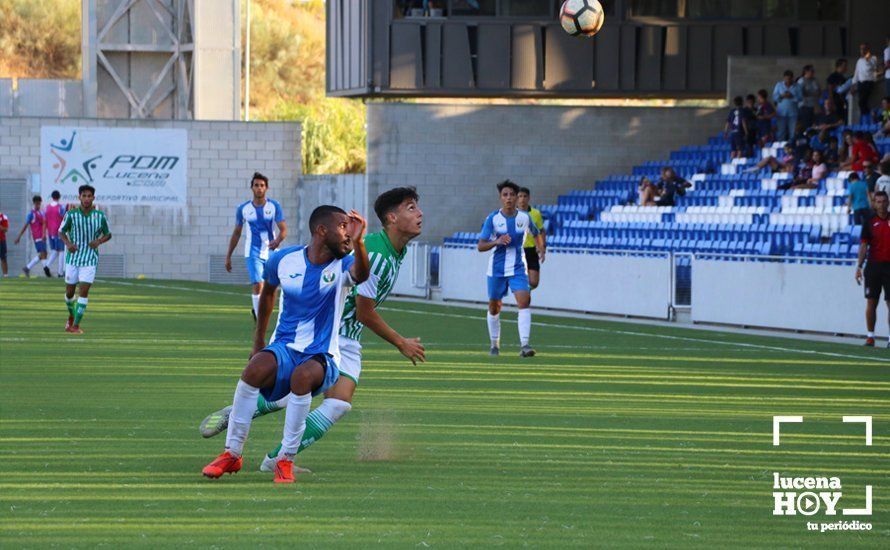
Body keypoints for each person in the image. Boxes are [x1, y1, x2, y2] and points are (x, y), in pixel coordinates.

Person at [198, 189, 427, 475]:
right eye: (411, 208)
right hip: (334, 333)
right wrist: (400, 342)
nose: (420, 213)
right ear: (392, 218)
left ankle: (247, 417)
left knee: (313, 393)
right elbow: (364, 310)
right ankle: (275, 456)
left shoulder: (392, 250)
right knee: (330, 398)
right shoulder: (376, 254)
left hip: (344, 333)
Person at [202, 205, 370, 484]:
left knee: (302, 378)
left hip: (323, 354)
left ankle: (285, 459)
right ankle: (232, 454)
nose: (347, 234)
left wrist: (360, 240)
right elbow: (268, 294)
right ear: (321, 231)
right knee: (254, 370)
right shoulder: (282, 259)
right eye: (343, 227)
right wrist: (258, 341)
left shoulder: (342, 265)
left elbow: (361, 274)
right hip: (285, 346)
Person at [477, 180, 541, 358]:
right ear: (500, 198)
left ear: (516, 197)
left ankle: (525, 345)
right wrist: (496, 241)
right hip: (496, 270)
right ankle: (494, 344)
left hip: (518, 268)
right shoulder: (493, 219)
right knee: (494, 307)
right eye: (505, 195)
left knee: (524, 301)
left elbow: (536, 233)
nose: (509, 198)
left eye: (512, 195)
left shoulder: (524, 217)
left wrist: (540, 249)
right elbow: (480, 245)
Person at [225, 172, 288, 321]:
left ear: (266, 188)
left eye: (262, 185)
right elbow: (236, 233)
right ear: (251, 188)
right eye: (256, 185)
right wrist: (228, 256)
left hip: (271, 252)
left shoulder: (274, 206)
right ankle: (260, 318)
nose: (259, 188)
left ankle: (274, 315)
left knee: (275, 285)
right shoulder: (243, 209)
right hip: (252, 252)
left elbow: (283, 229)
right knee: (258, 284)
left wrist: (277, 241)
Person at [58, 185, 112, 334]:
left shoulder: (99, 216)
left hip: (89, 259)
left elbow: (108, 234)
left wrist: (99, 241)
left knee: (84, 291)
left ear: (93, 198)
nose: (87, 198)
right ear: (79, 197)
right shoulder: (71, 215)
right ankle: (71, 316)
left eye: (89, 196)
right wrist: (68, 244)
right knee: (69, 293)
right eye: (84, 196)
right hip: (73, 259)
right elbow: (61, 232)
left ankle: (75, 325)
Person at [856, 191, 890, 347]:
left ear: (888, 202)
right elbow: (864, 245)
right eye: (878, 201)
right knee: (871, 302)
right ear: (874, 204)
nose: (881, 204)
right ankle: (870, 336)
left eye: (884, 201)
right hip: (873, 267)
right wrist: (859, 266)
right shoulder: (869, 221)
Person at [516, 186, 546, 290]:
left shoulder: (535, 213)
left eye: (525, 196)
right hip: (519, 250)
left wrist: (542, 248)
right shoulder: (512, 214)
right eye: (520, 196)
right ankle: (522, 295)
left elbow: (541, 231)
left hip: (532, 250)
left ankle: (524, 291)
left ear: (528, 198)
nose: (522, 199)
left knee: (534, 282)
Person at [13, 195, 50, 278]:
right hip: (37, 236)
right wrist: (19, 237)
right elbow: (25, 226)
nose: (38, 205)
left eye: (39, 204)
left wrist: (44, 234)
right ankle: (46, 270)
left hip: (42, 236)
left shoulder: (41, 212)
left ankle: (27, 268)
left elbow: (44, 224)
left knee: (44, 253)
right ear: (34, 203)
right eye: (37, 204)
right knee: (43, 252)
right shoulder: (31, 214)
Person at [853, 43, 880, 124]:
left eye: (864, 49)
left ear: (868, 50)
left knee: (862, 101)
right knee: (861, 102)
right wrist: (853, 84)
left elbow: (872, 67)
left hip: (868, 82)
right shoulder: (859, 61)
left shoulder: (873, 58)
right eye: (861, 49)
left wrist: (867, 59)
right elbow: (856, 73)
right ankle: (866, 118)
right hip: (861, 83)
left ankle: (868, 118)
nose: (863, 51)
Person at [773, 70, 802, 141]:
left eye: (789, 79)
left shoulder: (797, 86)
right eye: (786, 79)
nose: (788, 80)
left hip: (793, 113)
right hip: (781, 113)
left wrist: (791, 96)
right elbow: (774, 97)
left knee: (793, 132)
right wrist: (782, 96)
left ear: (792, 78)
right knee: (781, 132)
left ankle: (792, 147)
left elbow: (800, 98)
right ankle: (781, 148)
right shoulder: (779, 85)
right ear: (784, 78)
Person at [44, 190, 67, 277]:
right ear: (59, 197)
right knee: (61, 251)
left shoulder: (47, 207)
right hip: (59, 231)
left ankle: (47, 266)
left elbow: (45, 220)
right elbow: (65, 218)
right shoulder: (61, 207)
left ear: (52, 197)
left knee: (55, 251)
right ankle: (60, 272)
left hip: (50, 232)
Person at [797, 65, 821, 130]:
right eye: (811, 71)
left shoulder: (815, 80)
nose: (813, 72)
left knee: (814, 124)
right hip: (805, 106)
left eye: (813, 71)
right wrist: (812, 93)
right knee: (806, 124)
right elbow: (802, 93)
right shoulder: (801, 81)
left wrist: (809, 93)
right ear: (806, 71)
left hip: (814, 106)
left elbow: (819, 91)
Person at [0, 211, 8, 277]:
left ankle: (5, 275)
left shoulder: (3, 217)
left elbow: (6, 229)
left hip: (1, 241)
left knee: (3, 258)